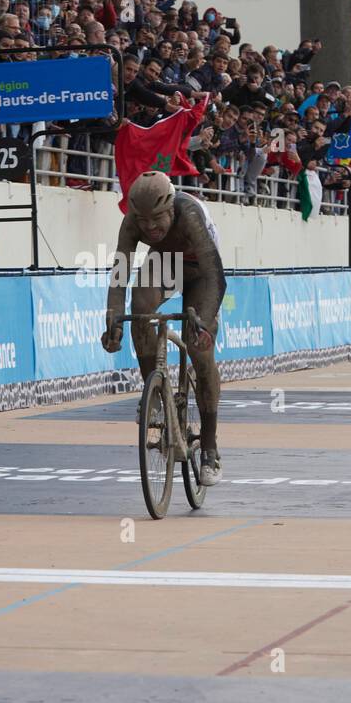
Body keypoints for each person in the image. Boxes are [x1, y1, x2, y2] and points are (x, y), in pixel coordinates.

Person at [101, 171, 226, 486]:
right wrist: (112, 319)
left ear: (171, 208)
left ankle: (209, 445)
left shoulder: (190, 214)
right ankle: (153, 393)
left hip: (202, 272)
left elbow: (215, 277)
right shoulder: (132, 222)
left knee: (198, 346)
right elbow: (120, 273)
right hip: (166, 263)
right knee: (139, 307)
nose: (150, 228)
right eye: (143, 222)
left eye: (157, 219)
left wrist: (205, 320)